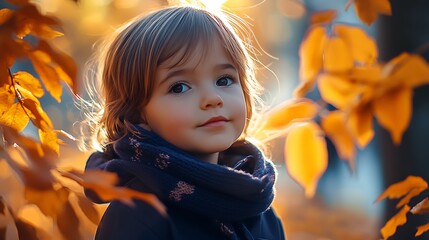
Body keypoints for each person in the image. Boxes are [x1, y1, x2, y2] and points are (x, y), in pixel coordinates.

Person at [81, 3, 285, 240]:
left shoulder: (256, 199)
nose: (213, 98)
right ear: (137, 115)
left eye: (224, 80)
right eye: (180, 87)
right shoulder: (139, 215)